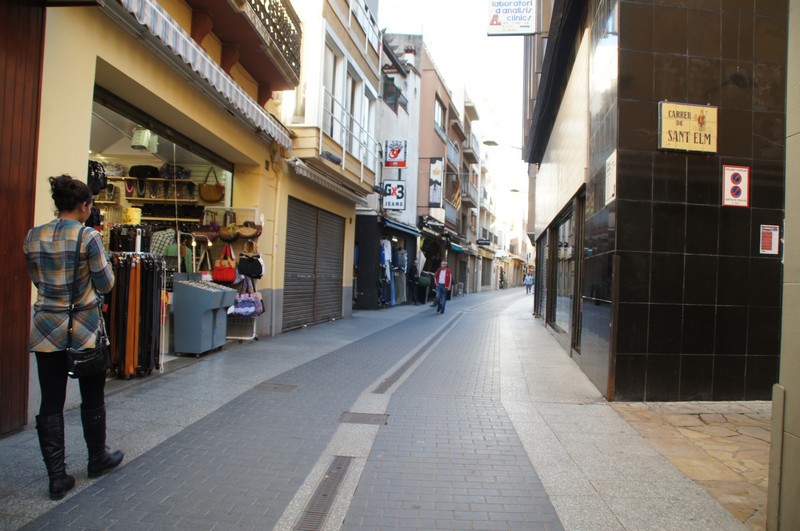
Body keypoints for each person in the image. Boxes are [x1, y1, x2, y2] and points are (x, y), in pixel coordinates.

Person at [24, 175, 124, 500]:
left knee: (51, 401)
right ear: (84, 206)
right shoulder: (88, 236)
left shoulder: (33, 236)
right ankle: (97, 458)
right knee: (92, 395)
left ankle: (57, 478)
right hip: (84, 327)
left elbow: (37, 280)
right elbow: (106, 283)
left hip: (46, 327)